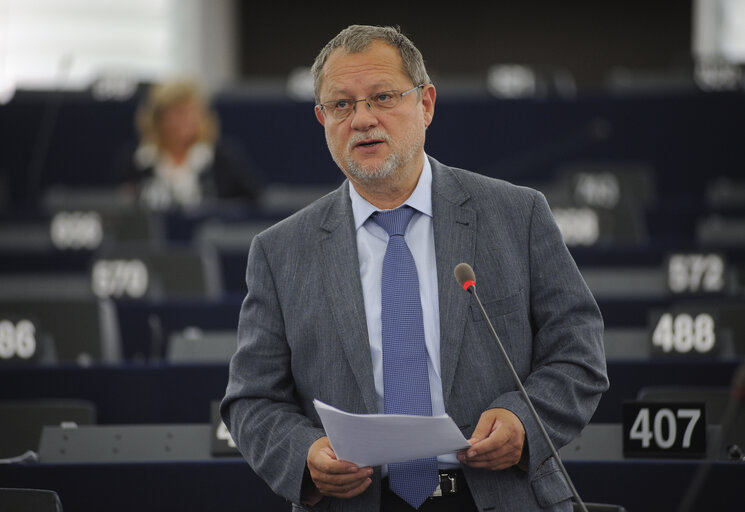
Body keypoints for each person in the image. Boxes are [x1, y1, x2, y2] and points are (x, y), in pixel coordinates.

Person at [221, 25, 608, 512]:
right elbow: (251, 401)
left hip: (496, 495)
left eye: (382, 97)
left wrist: (524, 422)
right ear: (322, 119)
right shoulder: (281, 252)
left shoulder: (517, 215)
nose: (362, 119)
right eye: (342, 105)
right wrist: (305, 454)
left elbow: (579, 353)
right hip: (360, 501)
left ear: (425, 104)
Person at [115, 79, 259, 210]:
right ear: (159, 119)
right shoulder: (138, 159)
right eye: (178, 113)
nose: (186, 120)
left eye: (192, 112)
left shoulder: (223, 158)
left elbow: (252, 203)